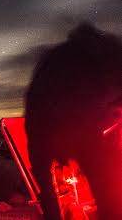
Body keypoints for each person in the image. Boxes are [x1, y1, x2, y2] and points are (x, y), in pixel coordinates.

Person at [25, 23, 122, 220]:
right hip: (69, 124)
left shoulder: (55, 57)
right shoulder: (96, 56)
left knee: (47, 188)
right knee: (104, 183)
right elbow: (91, 101)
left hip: (38, 127)